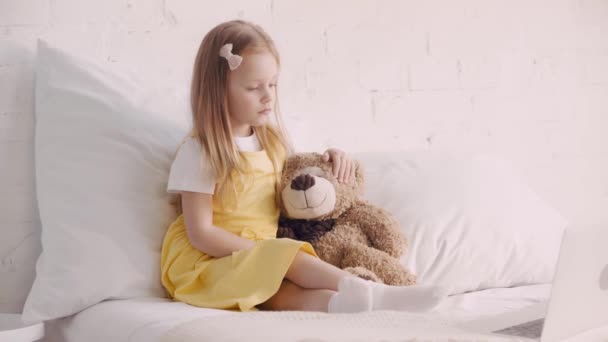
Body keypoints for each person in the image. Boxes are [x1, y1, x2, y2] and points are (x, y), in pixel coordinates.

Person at [160, 19, 447, 313]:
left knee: (279, 296)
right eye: (253, 87)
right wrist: (265, 253)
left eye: (272, 84)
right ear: (218, 90)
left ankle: (350, 304)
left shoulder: (270, 142)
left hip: (255, 259)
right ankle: (377, 292)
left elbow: (295, 184)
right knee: (286, 258)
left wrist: (329, 159)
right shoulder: (201, 151)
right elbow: (201, 233)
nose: (268, 95)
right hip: (208, 263)